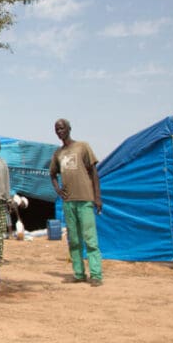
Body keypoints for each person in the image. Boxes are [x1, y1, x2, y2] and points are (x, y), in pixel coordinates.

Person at [49, 118, 104, 286]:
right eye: (57, 129)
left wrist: (97, 197)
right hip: (69, 201)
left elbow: (94, 172)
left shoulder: (82, 147)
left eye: (62, 128)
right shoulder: (58, 153)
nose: (60, 131)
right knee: (73, 239)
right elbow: (52, 174)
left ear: (69, 129)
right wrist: (58, 190)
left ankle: (96, 275)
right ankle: (79, 273)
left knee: (90, 238)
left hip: (85, 198)